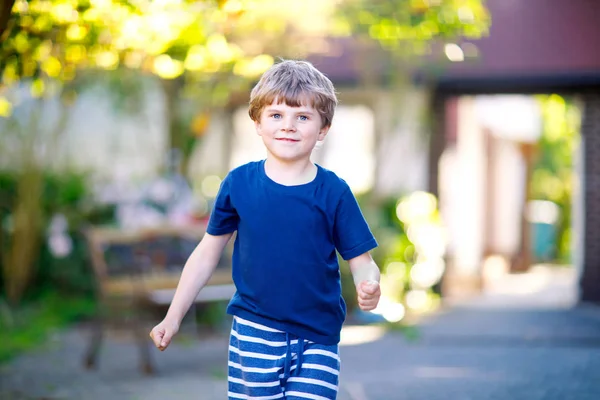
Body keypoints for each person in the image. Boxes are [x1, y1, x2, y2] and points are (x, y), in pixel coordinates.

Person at [150, 59, 381, 399]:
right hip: (255, 332)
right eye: (276, 115)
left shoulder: (334, 192)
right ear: (257, 122)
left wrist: (369, 283)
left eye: (302, 117)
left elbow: (361, 259)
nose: (288, 126)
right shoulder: (239, 184)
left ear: (322, 129)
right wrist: (173, 317)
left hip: (318, 336)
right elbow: (206, 254)